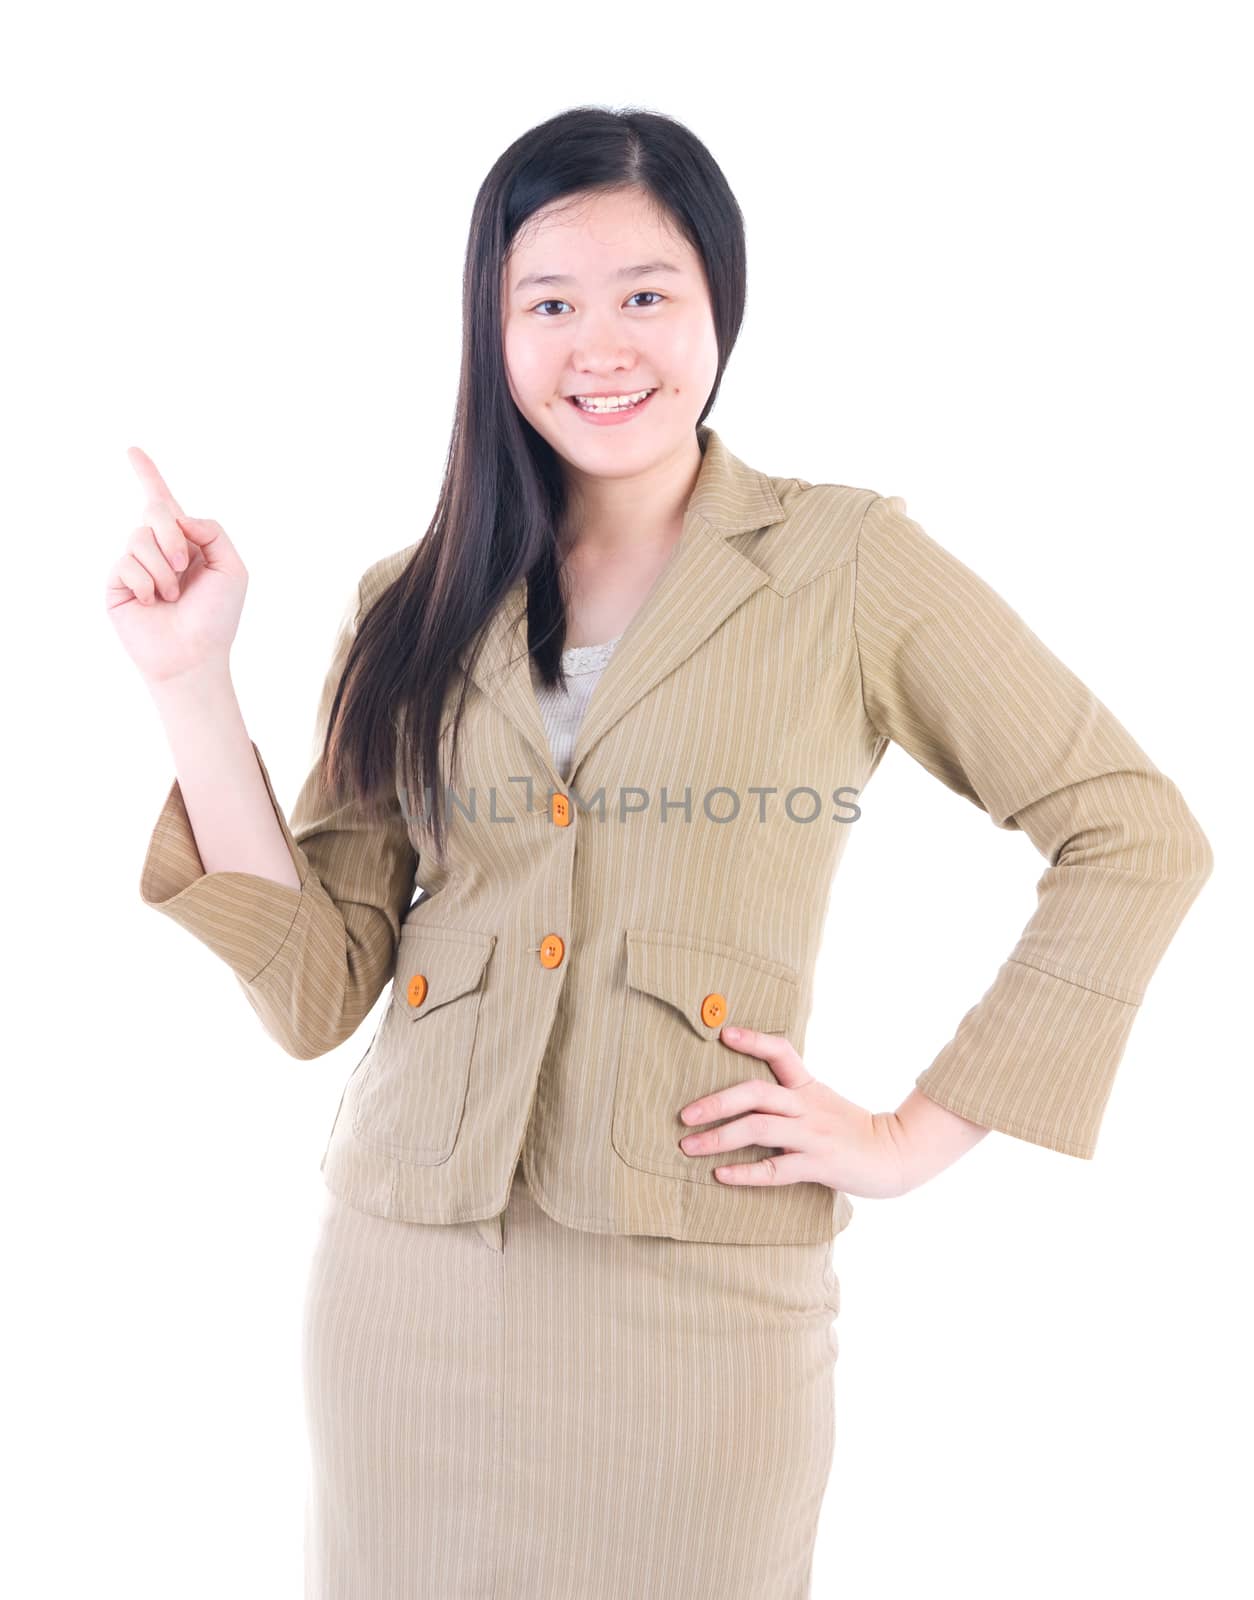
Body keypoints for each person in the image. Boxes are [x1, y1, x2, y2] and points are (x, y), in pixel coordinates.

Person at [108, 106, 1214, 1599]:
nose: (600, 344)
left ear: (719, 310)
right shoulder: (409, 599)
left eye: (647, 296)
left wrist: (911, 1137)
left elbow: (1130, 830)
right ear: (489, 328)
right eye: (547, 303)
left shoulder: (841, 562)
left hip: (702, 1294)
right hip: (406, 1288)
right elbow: (315, 994)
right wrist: (188, 682)